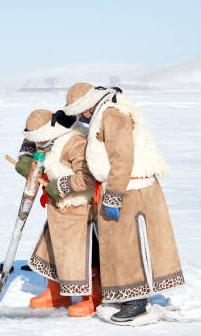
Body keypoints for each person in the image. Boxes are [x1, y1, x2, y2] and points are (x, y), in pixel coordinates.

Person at [62, 83, 185, 321]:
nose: (79, 118)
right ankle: (126, 295)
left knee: (130, 245)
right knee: (118, 245)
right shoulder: (105, 112)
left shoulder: (112, 114)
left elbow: (123, 156)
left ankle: (136, 300)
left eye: (78, 113)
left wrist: (115, 194)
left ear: (86, 107)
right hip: (121, 187)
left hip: (130, 190)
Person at [17, 107, 103, 317]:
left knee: (82, 255)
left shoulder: (74, 143)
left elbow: (88, 177)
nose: (39, 145)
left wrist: (61, 186)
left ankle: (93, 298)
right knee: (53, 250)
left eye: (42, 140)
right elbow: (30, 142)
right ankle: (56, 294)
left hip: (79, 209)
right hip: (57, 209)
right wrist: (26, 159)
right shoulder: (43, 137)